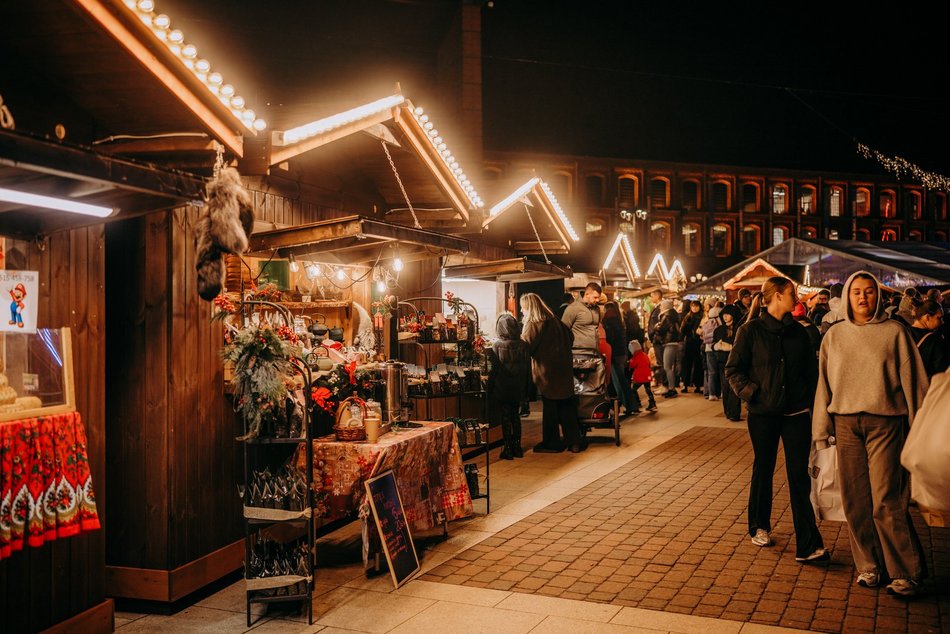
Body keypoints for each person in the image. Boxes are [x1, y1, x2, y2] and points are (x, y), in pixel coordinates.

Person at [813, 271, 930, 597]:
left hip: (886, 424)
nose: (863, 297)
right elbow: (823, 385)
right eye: (857, 292)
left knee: (886, 499)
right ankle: (869, 566)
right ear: (847, 297)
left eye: (869, 292)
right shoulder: (834, 337)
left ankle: (905, 572)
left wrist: (922, 427)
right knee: (854, 500)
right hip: (846, 425)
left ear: (878, 297)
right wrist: (821, 429)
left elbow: (915, 382)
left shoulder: (895, 333)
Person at [725, 276, 827, 563]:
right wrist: (753, 394)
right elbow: (733, 370)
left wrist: (812, 403)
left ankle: (808, 543)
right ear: (777, 296)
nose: (796, 296)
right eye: (791, 292)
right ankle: (759, 525)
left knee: (798, 476)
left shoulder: (800, 333)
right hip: (763, 414)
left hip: (796, 413)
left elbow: (812, 373)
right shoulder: (750, 331)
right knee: (764, 468)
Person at [520, 293, 585, 454]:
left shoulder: (534, 323)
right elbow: (570, 337)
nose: (522, 311)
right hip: (563, 369)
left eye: (523, 308)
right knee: (566, 406)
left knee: (550, 408)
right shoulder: (555, 320)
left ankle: (552, 443)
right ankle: (574, 441)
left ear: (529, 307)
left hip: (547, 372)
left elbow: (526, 346)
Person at [486, 313, 530, 460]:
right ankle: (518, 447)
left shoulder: (497, 345)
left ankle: (508, 448)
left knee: (505, 417)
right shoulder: (523, 344)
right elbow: (527, 368)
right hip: (518, 386)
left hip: (502, 387)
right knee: (515, 417)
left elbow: (494, 369)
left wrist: (489, 388)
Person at [603, 301, 639, 414]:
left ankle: (628, 404)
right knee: (621, 380)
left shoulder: (610, 320)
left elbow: (610, 339)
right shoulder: (619, 319)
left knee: (618, 381)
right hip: (621, 353)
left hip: (614, 354)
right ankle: (630, 404)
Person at [714, 305, 742, 420]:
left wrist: (730, 347)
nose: (725, 317)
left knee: (734, 387)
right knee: (725, 387)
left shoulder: (739, 329)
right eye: (723, 315)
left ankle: (734, 413)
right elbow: (714, 343)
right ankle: (727, 411)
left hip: (735, 362)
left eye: (728, 314)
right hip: (722, 361)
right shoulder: (719, 330)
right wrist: (717, 346)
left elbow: (740, 345)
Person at [910, 300, 949, 378]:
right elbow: (940, 372)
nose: (942, 322)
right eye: (939, 318)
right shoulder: (935, 340)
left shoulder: (903, 333)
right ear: (927, 317)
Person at [654, 299, 683, 398]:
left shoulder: (667, 316)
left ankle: (672, 388)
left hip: (669, 343)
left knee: (667, 367)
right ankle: (672, 388)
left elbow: (661, 329)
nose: (660, 307)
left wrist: (656, 327)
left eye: (662, 305)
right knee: (669, 367)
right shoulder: (672, 315)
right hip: (672, 343)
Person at [562, 282, 602, 352]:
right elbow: (563, 330)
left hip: (595, 352)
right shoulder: (573, 308)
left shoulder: (597, 309)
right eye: (595, 297)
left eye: (598, 297)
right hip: (578, 354)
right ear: (587, 294)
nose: (598, 300)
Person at [680, 300, 704, 393]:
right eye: (693, 306)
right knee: (687, 364)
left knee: (698, 364)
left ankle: (698, 385)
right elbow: (682, 329)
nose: (694, 308)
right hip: (689, 342)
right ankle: (685, 385)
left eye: (696, 306)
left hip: (699, 342)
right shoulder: (688, 316)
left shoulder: (702, 316)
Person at [646, 289, 666, 389]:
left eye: (652, 296)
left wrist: (654, 334)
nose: (651, 298)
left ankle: (664, 384)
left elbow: (658, 324)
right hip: (656, 338)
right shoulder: (657, 308)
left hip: (658, 339)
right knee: (659, 362)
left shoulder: (660, 308)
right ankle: (662, 383)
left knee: (661, 362)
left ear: (657, 296)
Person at [628, 340, 656, 411]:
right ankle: (652, 402)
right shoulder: (644, 354)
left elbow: (632, 365)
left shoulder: (636, 357)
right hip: (647, 375)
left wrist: (629, 362)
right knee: (648, 389)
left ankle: (637, 403)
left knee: (633, 389)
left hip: (640, 376)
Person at [701, 305, 721, 400]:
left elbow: (702, 335)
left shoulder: (706, 322)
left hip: (708, 349)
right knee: (721, 371)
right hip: (719, 348)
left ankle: (711, 394)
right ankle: (721, 392)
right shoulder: (720, 322)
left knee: (711, 372)